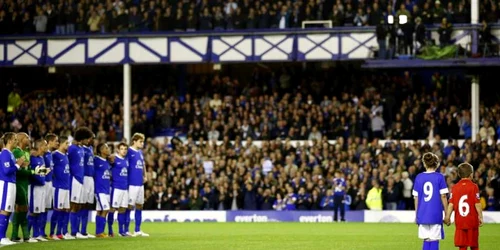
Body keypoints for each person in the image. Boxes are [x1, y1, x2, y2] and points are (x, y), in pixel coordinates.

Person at [413, 152, 449, 250]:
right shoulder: (439, 177)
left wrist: (417, 215)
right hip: (435, 214)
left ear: (424, 163)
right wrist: (447, 214)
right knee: (434, 240)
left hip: (422, 214)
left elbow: (416, 198)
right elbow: (444, 196)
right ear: (436, 163)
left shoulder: (419, 177)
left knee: (426, 239)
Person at [444, 163, 483, 250]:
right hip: (472, 221)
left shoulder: (455, 187)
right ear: (471, 174)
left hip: (460, 222)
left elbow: (451, 204)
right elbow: (477, 203)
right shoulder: (474, 187)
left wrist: (447, 217)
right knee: (474, 246)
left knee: (462, 246)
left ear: (459, 174)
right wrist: (480, 217)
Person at [0, 133, 26, 246]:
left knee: (8, 211)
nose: (17, 141)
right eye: (15, 139)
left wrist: (19, 165)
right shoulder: (5, 153)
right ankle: (1, 238)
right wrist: (18, 165)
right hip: (6, 184)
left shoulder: (9, 154)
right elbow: (6, 171)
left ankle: (3, 237)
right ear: (10, 141)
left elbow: (12, 168)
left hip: (11, 183)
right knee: (4, 210)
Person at [68, 127, 93, 239]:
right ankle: (73, 232)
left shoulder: (81, 149)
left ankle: (78, 231)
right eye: (86, 139)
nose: (88, 141)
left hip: (81, 179)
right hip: (75, 179)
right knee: (74, 205)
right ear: (81, 138)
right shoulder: (72, 149)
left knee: (79, 205)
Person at [11, 132, 35, 243]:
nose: (28, 139)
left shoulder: (26, 152)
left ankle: (21, 235)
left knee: (23, 209)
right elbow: (18, 170)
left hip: (25, 183)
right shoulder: (15, 151)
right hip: (19, 183)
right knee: (21, 208)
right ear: (20, 139)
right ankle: (19, 234)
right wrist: (30, 171)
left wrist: (33, 171)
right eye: (26, 137)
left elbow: (26, 168)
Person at [126, 133, 149, 237]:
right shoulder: (129, 151)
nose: (142, 143)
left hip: (140, 183)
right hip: (132, 183)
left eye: (143, 141)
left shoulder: (140, 152)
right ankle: (126, 230)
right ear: (134, 141)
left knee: (140, 205)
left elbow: (143, 164)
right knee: (129, 206)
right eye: (140, 141)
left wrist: (145, 175)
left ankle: (137, 230)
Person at [51, 136, 74, 240]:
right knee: (57, 210)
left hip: (66, 187)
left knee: (66, 210)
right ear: (59, 144)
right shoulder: (54, 155)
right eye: (66, 143)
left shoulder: (66, 155)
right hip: (58, 187)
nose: (68, 145)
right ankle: (52, 233)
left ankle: (62, 232)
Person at [28, 139, 49, 242]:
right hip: (35, 187)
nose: (47, 147)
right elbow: (30, 171)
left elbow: (41, 171)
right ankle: (27, 235)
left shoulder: (41, 158)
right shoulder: (32, 158)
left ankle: (36, 235)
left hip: (42, 186)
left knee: (39, 212)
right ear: (40, 146)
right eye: (45, 145)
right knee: (33, 212)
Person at [109, 142, 130, 237]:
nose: (124, 150)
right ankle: (110, 230)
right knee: (112, 209)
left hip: (125, 189)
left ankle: (121, 231)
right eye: (122, 149)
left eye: (125, 149)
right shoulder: (114, 159)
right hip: (116, 188)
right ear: (118, 150)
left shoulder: (126, 160)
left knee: (122, 210)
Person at [41, 133, 58, 239]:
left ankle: (42, 232)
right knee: (40, 209)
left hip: (50, 183)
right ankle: (35, 232)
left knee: (46, 208)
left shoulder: (50, 154)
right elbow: (39, 168)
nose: (57, 143)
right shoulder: (43, 154)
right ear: (50, 142)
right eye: (55, 141)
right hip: (43, 183)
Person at [94, 143, 112, 238]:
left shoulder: (107, 162)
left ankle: (98, 232)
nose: (108, 149)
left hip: (106, 190)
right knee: (106, 209)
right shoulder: (96, 160)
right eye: (106, 148)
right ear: (101, 151)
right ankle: (100, 232)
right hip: (99, 189)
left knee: (100, 210)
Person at [80, 132, 96, 238]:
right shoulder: (81, 148)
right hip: (84, 177)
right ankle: (76, 231)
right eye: (91, 138)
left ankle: (84, 231)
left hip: (91, 178)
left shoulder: (90, 148)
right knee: (81, 204)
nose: (93, 140)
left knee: (87, 205)